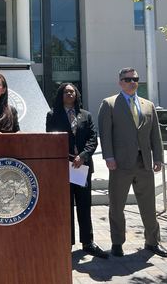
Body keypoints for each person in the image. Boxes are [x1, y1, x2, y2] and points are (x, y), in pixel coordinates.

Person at [98, 67, 167, 258]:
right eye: (128, 79)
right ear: (120, 81)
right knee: (117, 205)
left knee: (148, 205)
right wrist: (109, 157)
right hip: (120, 164)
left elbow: (156, 134)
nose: (132, 82)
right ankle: (117, 243)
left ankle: (152, 241)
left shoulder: (148, 105)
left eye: (135, 79)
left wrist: (158, 157)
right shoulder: (110, 103)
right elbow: (105, 134)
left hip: (144, 163)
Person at [46, 83, 108, 259]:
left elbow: (92, 139)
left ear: (77, 94)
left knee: (84, 205)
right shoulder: (52, 115)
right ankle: (67, 242)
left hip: (83, 167)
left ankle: (88, 242)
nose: (69, 94)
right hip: (63, 168)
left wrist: (83, 155)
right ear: (61, 95)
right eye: (66, 91)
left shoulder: (86, 115)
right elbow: (50, 139)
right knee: (65, 206)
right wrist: (67, 157)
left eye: (72, 91)